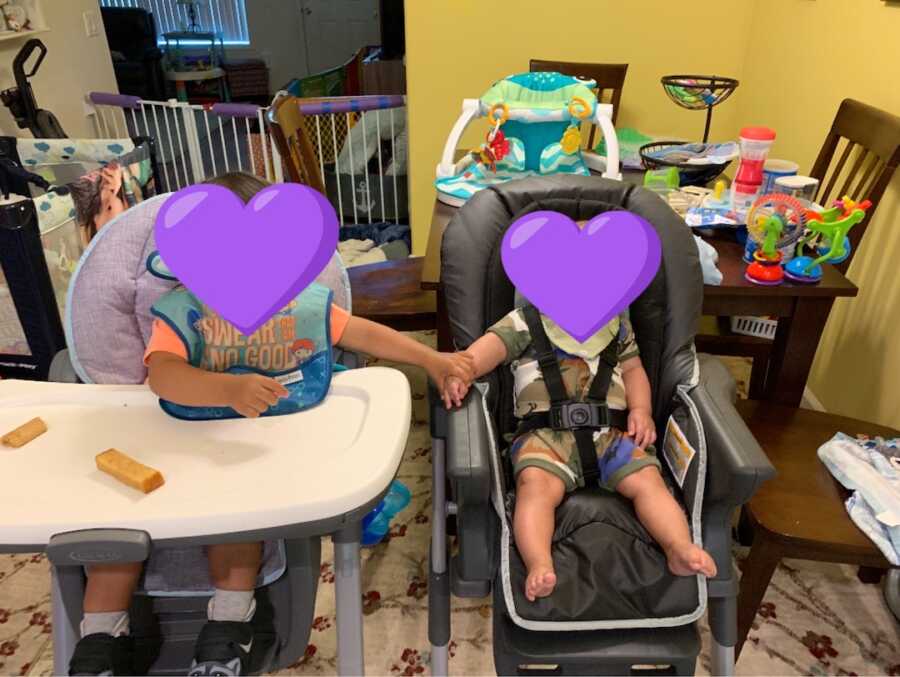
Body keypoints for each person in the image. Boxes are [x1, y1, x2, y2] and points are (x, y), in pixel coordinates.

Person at [68, 172, 474, 676]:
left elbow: (365, 333)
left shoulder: (297, 308)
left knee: (239, 529)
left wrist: (430, 361)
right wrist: (228, 390)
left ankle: (226, 630)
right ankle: (99, 640)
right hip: (175, 450)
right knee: (114, 535)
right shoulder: (183, 312)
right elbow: (163, 376)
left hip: (251, 461)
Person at [445, 270, 716, 603]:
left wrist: (641, 411)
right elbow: (486, 351)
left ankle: (678, 546)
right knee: (536, 488)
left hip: (613, 434)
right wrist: (463, 370)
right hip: (545, 436)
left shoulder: (618, 328)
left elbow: (633, 371)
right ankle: (539, 562)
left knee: (649, 481)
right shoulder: (525, 321)